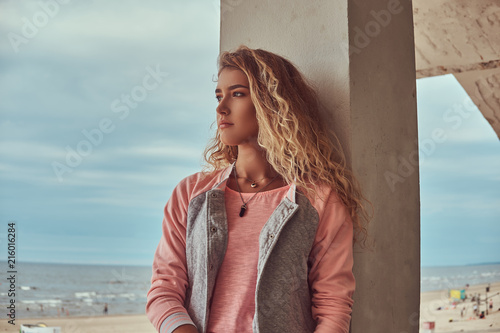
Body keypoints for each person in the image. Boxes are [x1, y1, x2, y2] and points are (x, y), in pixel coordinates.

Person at [146, 45, 369, 333]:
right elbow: (163, 290)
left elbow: (333, 308)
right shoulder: (190, 194)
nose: (220, 107)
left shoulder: (319, 200)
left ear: (271, 102)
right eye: (218, 95)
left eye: (237, 93)